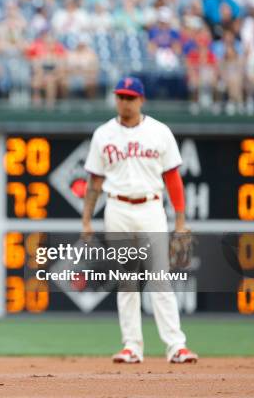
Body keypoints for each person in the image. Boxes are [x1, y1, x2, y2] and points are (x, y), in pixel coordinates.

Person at [81, 76, 198, 364]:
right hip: (117, 207)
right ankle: (132, 346)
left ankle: (176, 345)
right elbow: (94, 181)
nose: (124, 101)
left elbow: (172, 178)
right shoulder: (104, 134)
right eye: (120, 96)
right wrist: (86, 220)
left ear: (141, 100)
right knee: (127, 280)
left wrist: (180, 221)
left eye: (130, 97)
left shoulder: (159, 132)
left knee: (160, 278)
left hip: (150, 206)